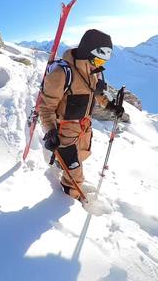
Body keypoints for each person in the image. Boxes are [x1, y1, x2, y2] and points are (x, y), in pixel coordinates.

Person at [39, 29, 124, 200]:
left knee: (81, 157)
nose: (99, 65)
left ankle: (63, 169)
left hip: (83, 127)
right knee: (74, 172)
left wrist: (110, 106)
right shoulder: (61, 74)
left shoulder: (91, 72)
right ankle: (70, 201)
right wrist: (50, 131)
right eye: (98, 59)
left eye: (103, 61)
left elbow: (96, 93)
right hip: (65, 131)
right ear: (87, 52)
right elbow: (46, 107)